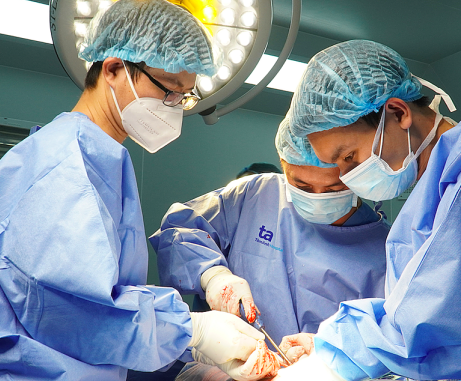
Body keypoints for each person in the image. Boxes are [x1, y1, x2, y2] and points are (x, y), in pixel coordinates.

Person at [0, 0, 268, 381]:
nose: (174, 106)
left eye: (183, 97)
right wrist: (192, 331)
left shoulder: (99, 160)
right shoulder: (65, 165)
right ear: (115, 68)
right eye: (168, 90)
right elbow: (73, 310)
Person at [274, 39, 461, 381]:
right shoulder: (425, 200)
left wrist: (334, 360)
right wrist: (327, 344)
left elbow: (437, 317)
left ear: (398, 113)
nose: (347, 177)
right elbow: (410, 308)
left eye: (349, 157)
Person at [151, 117, 390, 381]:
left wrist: (332, 357)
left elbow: (393, 339)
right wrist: (214, 276)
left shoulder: (386, 248)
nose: (318, 197)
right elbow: (182, 230)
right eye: (302, 187)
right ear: (283, 166)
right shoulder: (256, 195)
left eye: (335, 188)